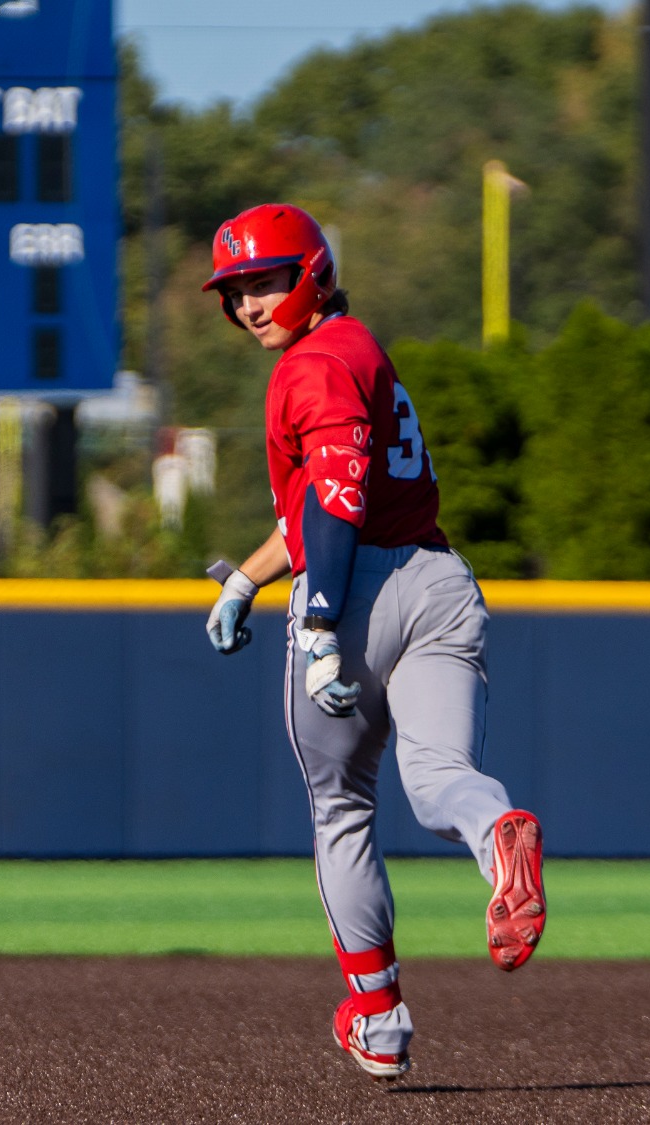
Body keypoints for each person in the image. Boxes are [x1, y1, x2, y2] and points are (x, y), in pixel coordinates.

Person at [200, 204, 545, 1081]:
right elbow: (326, 498)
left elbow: (338, 505)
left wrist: (318, 622)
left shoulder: (309, 366)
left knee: (341, 806)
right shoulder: (356, 349)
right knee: (441, 780)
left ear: (312, 271)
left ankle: (379, 1014)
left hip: (351, 596)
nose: (248, 303)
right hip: (435, 580)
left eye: (266, 280)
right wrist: (247, 575)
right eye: (236, 289)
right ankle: (497, 827)